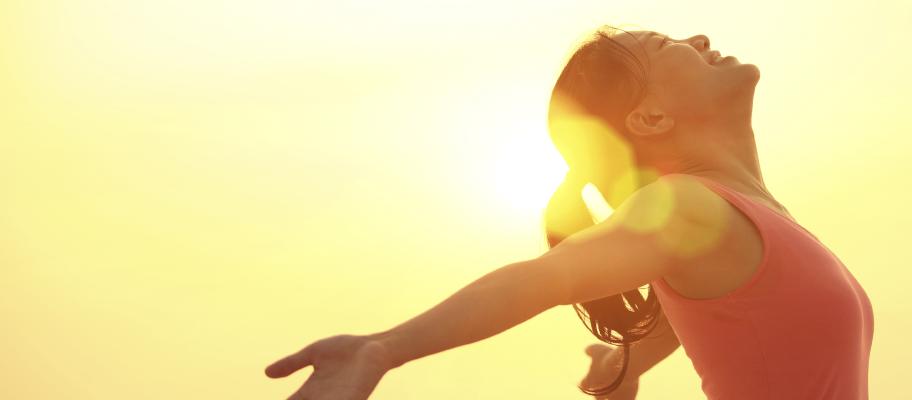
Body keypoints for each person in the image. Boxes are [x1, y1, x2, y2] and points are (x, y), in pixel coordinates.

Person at [264, 25, 874, 400]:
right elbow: (546, 279)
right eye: (669, 46)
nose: (700, 40)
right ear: (651, 119)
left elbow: (733, 322)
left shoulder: (741, 218)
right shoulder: (688, 207)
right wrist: (382, 348)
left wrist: (625, 363)